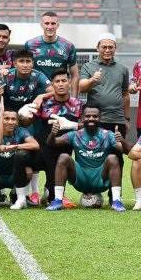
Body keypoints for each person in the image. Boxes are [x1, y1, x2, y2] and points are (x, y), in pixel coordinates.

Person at [47, 106, 126, 212]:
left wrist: (122, 140)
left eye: (95, 116)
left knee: (113, 158)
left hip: (100, 179)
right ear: (82, 118)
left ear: (100, 118)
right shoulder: (75, 134)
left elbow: (124, 150)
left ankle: (116, 201)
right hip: (80, 179)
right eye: (88, 116)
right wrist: (53, 133)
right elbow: (51, 143)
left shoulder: (108, 134)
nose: (91, 118)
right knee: (63, 157)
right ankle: (57, 200)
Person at [29, 68, 84, 205]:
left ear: (70, 82)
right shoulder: (43, 103)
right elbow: (27, 120)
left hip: (65, 148)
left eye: (64, 81)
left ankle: (53, 192)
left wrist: (72, 125)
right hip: (44, 147)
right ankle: (26, 193)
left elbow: (87, 125)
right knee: (23, 158)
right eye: (57, 81)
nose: (60, 84)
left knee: (53, 195)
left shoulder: (78, 104)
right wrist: (24, 113)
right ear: (52, 85)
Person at [0, 105, 40, 210]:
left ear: (17, 122)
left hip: (15, 176)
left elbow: (35, 145)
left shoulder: (21, 131)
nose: (10, 122)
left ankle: (15, 194)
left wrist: (16, 146)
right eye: (6, 119)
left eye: (13, 119)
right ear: (1, 120)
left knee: (28, 171)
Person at [79, 33, 130, 135]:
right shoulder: (88, 66)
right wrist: (92, 80)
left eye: (110, 47)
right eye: (104, 47)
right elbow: (81, 88)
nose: (107, 50)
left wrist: (127, 119)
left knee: (117, 149)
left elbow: (125, 95)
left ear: (115, 48)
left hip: (117, 119)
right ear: (97, 48)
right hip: (95, 119)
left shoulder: (123, 69)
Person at [25, 11, 79, 94]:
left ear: (58, 25)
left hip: (59, 97)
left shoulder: (68, 46)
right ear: (41, 25)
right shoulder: (30, 44)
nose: (50, 27)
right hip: (35, 95)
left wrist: (74, 98)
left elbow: (75, 75)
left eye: (53, 23)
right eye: (47, 23)